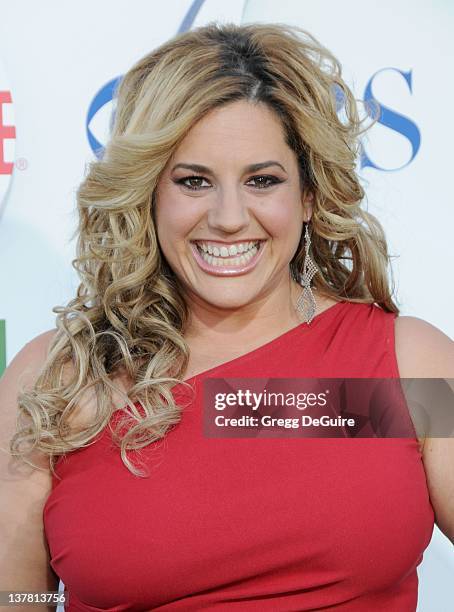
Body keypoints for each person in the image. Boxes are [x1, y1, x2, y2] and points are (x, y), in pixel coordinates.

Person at [1, 21, 453, 611]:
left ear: (310, 195)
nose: (230, 217)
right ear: (148, 194)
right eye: (194, 182)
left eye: (262, 180)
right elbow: (19, 597)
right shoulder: (56, 379)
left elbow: (262, 411)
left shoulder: (405, 366)